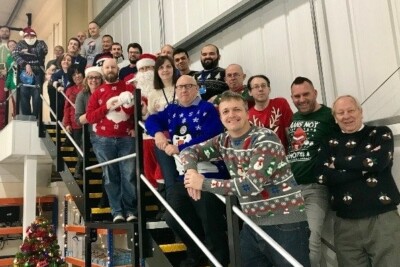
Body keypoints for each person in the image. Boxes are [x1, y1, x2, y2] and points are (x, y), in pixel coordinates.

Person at [182, 91, 310, 267]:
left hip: (285, 223)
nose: (231, 115)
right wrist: (191, 172)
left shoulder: (265, 139)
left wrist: (203, 183)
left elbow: (251, 185)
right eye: (225, 111)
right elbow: (189, 151)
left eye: (237, 109)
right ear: (220, 117)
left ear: (247, 113)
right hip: (251, 223)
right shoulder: (223, 140)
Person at [146, 75, 230, 267]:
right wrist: (158, 133)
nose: (183, 90)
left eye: (188, 86)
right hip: (183, 175)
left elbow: (212, 135)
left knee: (209, 216)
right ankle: (197, 252)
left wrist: (182, 148)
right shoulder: (172, 110)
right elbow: (151, 120)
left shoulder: (207, 109)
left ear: (197, 89)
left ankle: (220, 258)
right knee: (173, 216)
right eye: (180, 87)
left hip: (208, 173)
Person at [315, 95, 400, 267]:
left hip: (382, 219)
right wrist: (367, 168)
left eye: (351, 110)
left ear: (361, 112)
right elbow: (321, 176)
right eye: (340, 113)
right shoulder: (328, 143)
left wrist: (338, 163)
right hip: (345, 224)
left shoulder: (380, 133)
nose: (346, 116)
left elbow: (380, 160)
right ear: (335, 117)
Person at [287, 76, 339, 267]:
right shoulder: (294, 118)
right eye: (296, 96)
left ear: (315, 93)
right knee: (294, 240)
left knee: (311, 240)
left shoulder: (329, 115)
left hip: (315, 188)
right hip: (290, 188)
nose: (301, 99)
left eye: (306, 94)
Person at [86, 58, 137, 223]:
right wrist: (108, 107)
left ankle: (130, 211)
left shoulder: (129, 88)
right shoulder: (98, 92)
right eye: (107, 67)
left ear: (117, 69)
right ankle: (117, 212)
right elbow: (90, 116)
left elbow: (138, 110)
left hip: (126, 138)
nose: (110, 70)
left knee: (128, 175)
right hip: (104, 140)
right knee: (110, 176)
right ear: (103, 70)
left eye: (113, 67)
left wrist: (135, 125)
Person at [143, 55, 180, 197]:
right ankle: (173, 209)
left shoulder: (182, 86)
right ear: (157, 72)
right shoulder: (153, 94)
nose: (165, 70)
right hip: (164, 142)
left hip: (185, 138)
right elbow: (153, 118)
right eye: (161, 67)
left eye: (168, 66)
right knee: (169, 177)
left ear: (174, 68)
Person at [75, 66, 109, 207]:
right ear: (86, 80)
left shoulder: (106, 93)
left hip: (107, 132)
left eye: (96, 77)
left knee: (108, 167)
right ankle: (80, 165)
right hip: (91, 132)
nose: (93, 80)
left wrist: (92, 116)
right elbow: (79, 118)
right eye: (90, 77)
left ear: (101, 79)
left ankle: (105, 197)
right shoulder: (82, 95)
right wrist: (98, 114)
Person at [248, 75, 293, 152]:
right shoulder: (247, 116)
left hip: (283, 157)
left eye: (263, 86)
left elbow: (290, 133)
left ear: (269, 89)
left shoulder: (281, 104)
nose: (260, 89)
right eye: (256, 87)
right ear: (250, 92)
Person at [13, 26, 48, 118]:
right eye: (27, 36)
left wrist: (26, 51)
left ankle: (36, 117)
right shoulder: (20, 43)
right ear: (24, 37)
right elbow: (15, 54)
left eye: (32, 36)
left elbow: (43, 51)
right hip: (24, 73)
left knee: (37, 96)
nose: (29, 38)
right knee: (24, 96)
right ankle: (26, 118)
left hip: (37, 73)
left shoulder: (41, 43)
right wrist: (26, 64)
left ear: (35, 36)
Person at [63, 68, 84, 178]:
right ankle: (79, 170)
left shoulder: (88, 87)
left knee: (84, 147)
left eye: (78, 73)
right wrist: (67, 123)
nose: (77, 76)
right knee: (79, 148)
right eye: (74, 74)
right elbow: (66, 108)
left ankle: (79, 169)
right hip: (74, 123)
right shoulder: (69, 90)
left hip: (87, 123)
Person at [50, 53, 74, 121]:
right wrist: (55, 82)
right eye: (64, 60)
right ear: (60, 62)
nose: (66, 61)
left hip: (71, 98)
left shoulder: (73, 72)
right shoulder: (59, 72)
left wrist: (64, 89)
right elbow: (54, 76)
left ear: (71, 62)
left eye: (68, 60)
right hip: (62, 98)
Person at [0, 26, 11, 128]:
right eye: (2, 31)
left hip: (11, 76)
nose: (4, 32)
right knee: (1, 100)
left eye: (6, 31)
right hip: (0, 77)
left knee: (11, 100)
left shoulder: (13, 46)